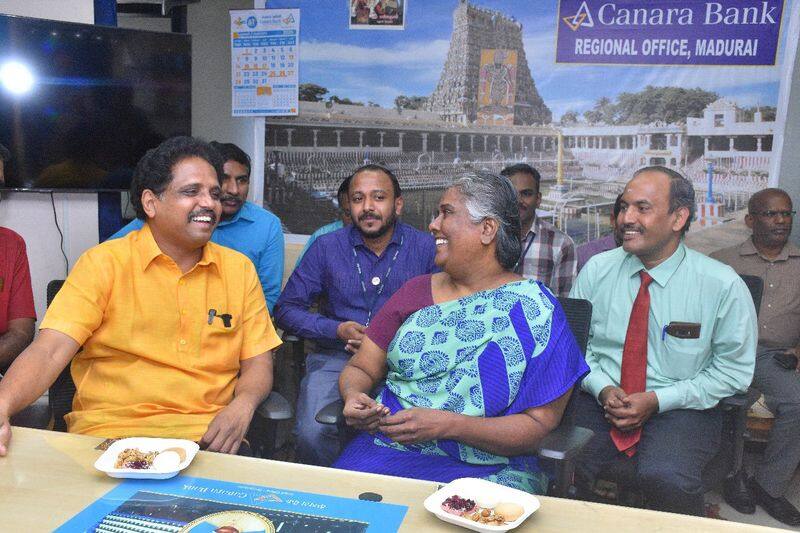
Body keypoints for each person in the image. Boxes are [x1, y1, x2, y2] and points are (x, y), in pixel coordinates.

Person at [0, 136, 281, 457]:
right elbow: (49, 352)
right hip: (107, 437)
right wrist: (3, 404)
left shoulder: (238, 270)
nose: (210, 203)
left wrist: (243, 406)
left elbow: (259, 363)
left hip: (206, 439)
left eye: (214, 193)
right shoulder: (103, 263)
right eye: (192, 192)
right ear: (151, 203)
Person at [333, 171, 589, 492]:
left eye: (446, 212)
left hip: (489, 466)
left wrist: (449, 425)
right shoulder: (414, 291)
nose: (433, 224)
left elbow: (538, 426)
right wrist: (353, 394)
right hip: (387, 447)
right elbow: (361, 366)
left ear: (487, 229)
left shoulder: (536, 311)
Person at [570, 166, 756, 516]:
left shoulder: (722, 285)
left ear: (678, 217)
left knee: (666, 477)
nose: (626, 217)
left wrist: (659, 399)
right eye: (624, 207)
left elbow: (733, 372)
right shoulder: (597, 269)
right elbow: (577, 348)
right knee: (557, 463)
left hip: (682, 404)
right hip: (603, 398)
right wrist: (603, 388)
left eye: (642, 208)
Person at [274, 163, 437, 466]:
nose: (368, 208)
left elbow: (447, 313)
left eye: (378, 198)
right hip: (337, 359)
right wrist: (335, 329)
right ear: (348, 205)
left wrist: (391, 341)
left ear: (397, 204)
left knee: (411, 440)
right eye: (358, 199)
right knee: (312, 431)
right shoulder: (327, 247)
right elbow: (286, 310)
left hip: (408, 364)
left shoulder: (426, 248)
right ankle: (328, 497)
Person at [710, 188, 800, 526]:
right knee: (721, 400)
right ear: (750, 220)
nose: (780, 220)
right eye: (771, 213)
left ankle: (767, 485)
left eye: (786, 214)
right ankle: (732, 475)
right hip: (726, 351)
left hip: (776, 355)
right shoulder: (722, 260)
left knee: (798, 402)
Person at [111, 141, 284, 313]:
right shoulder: (108, 258)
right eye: (192, 191)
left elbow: (267, 299)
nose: (233, 190)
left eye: (242, 180)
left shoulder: (244, 263)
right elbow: (111, 255)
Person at [501, 164, 576, 296]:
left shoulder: (561, 244)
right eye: (512, 193)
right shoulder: (487, 238)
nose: (518, 200)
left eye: (526, 194)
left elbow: (564, 304)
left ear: (538, 199)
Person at [295, 176, 352, 267]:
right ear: (340, 211)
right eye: (348, 214)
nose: (356, 222)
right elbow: (301, 278)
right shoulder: (322, 236)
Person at [576, 194, 623, 272]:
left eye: (643, 209)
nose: (631, 220)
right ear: (613, 220)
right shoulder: (584, 256)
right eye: (624, 209)